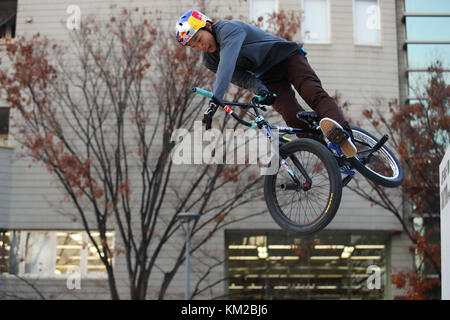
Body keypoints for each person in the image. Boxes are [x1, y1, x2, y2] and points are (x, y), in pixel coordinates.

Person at [175, 10, 356, 157]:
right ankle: (329, 158)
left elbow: (227, 65)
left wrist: (215, 99)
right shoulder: (209, 60)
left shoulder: (227, 29)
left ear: (207, 26)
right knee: (293, 116)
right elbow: (241, 78)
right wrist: (261, 90)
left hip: (287, 58)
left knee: (311, 92)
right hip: (268, 76)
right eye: (194, 46)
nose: (201, 47)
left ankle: (342, 133)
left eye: (199, 40)